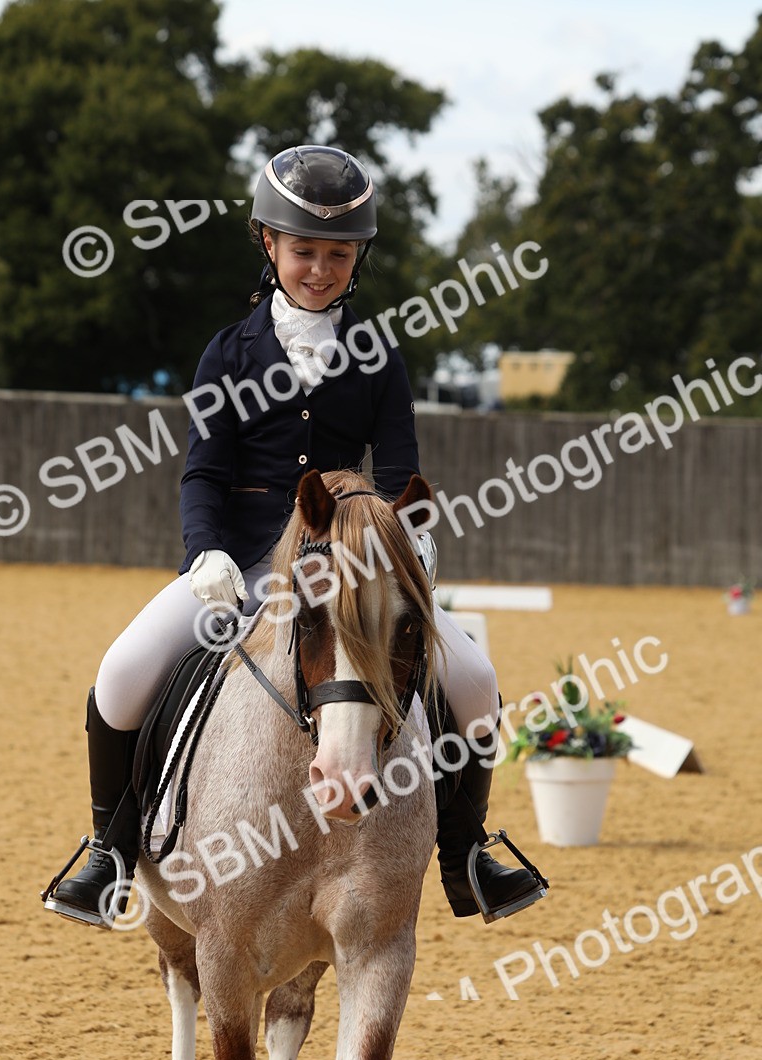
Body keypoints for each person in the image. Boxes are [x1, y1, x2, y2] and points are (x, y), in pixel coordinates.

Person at [49, 145, 545, 927]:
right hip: (240, 567)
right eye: (304, 250)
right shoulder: (228, 352)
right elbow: (203, 474)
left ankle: (466, 854)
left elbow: (402, 473)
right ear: (269, 244)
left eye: (337, 254)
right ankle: (110, 852)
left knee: (477, 685)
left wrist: (413, 550)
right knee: (119, 675)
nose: (319, 268)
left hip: (351, 570)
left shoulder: (380, 353)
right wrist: (205, 551)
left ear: (358, 258)